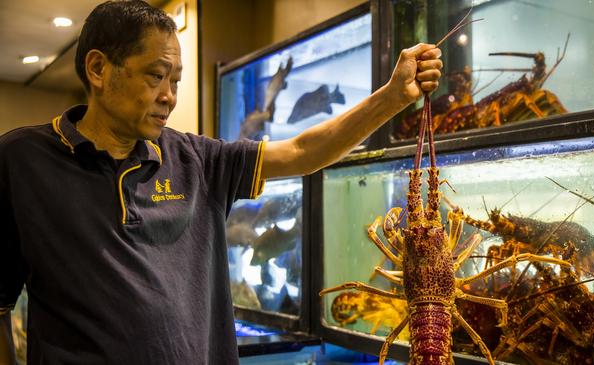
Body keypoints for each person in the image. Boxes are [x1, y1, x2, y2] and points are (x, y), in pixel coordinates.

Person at [0, 1, 442, 364]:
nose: (170, 95)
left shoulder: (196, 159)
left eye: (176, 80)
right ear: (98, 69)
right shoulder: (21, 160)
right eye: (156, 76)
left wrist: (392, 96)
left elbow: (304, 152)